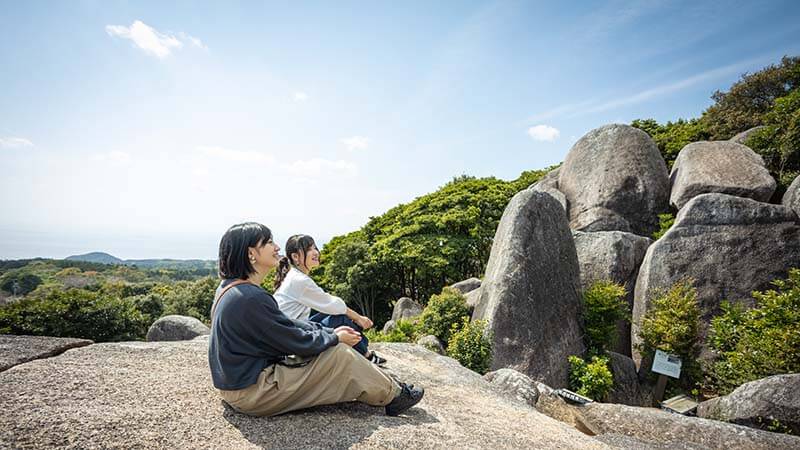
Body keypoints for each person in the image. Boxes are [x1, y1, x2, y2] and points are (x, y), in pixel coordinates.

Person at [208, 222, 423, 417]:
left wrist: (327, 333)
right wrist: (333, 338)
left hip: (238, 385)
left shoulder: (232, 289)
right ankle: (394, 395)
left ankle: (387, 384)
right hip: (254, 393)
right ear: (251, 253)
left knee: (330, 342)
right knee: (339, 356)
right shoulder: (250, 297)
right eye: (268, 242)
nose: (276, 248)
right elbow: (293, 340)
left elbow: (286, 325)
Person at [273, 234, 386, 365]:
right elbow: (333, 305)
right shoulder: (299, 280)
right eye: (309, 249)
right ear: (295, 257)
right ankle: (366, 355)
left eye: (315, 247)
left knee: (334, 315)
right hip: (293, 339)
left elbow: (329, 304)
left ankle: (363, 350)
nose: (315, 252)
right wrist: (358, 318)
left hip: (293, 332)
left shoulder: (294, 276)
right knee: (340, 318)